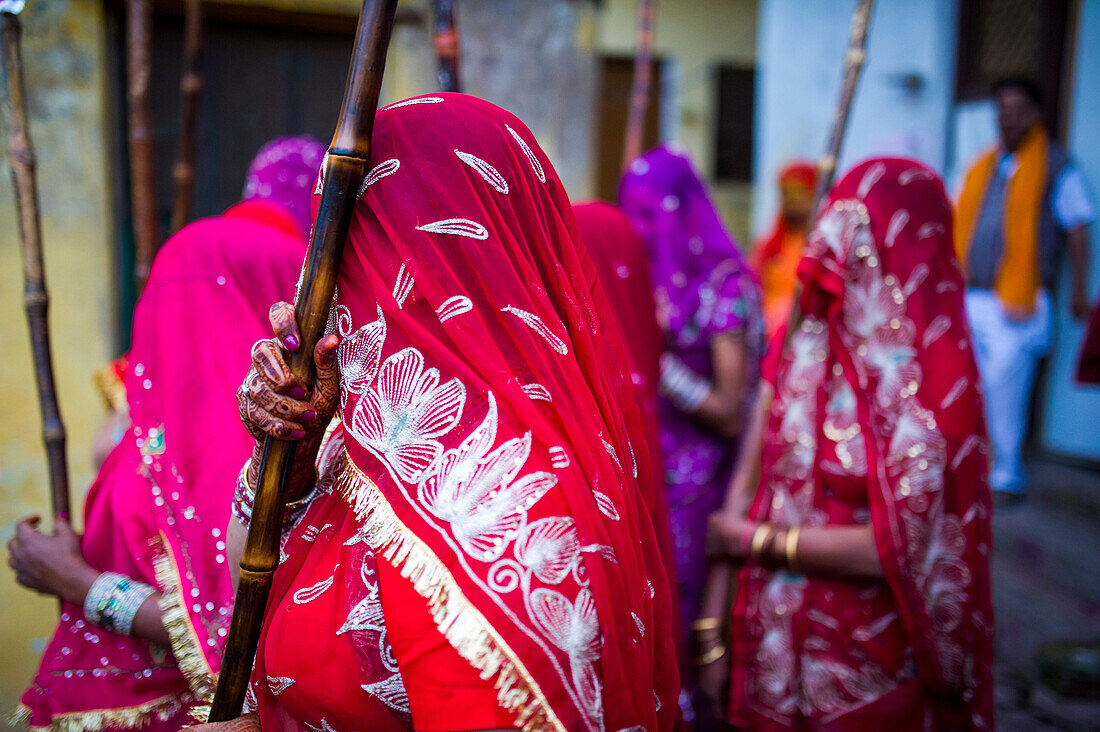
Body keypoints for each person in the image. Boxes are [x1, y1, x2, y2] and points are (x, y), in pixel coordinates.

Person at [200, 94, 679, 731]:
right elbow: (245, 580)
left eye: (344, 250)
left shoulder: (514, 510)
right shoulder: (362, 442)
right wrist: (281, 457)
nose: (317, 288)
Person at [8, 137, 323, 730]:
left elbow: (234, 633)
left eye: (200, 293)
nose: (182, 317)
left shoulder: (270, 451)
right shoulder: (146, 425)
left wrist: (77, 582)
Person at [704, 158, 994, 729]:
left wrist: (755, 541)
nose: (838, 260)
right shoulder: (801, 345)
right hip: (772, 657)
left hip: (873, 666)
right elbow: (743, 487)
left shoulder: (936, 384)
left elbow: (900, 549)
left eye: (862, 245)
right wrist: (711, 631)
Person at [616, 145, 764, 720]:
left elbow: (732, 410)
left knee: (687, 601)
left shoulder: (723, 286)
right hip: (647, 465)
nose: (640, 228)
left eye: (651, 215)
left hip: (701, 481)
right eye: (633, 213)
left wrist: (661, 365)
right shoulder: (650, 274)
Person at [955, 76, 1094, 503]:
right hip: (972, 295)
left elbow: (1078, 227)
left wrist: (1078, 290)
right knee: (966, 383)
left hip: (1017, 303)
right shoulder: (984, 165)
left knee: (1004, 390)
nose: (1007, 120)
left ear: (1036, 114)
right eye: (1001, 112)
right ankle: (968, 469)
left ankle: (1006, 475)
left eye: (1016, 112)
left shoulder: (1055, 164)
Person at [752, 161, 817, 338]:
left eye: (800, 194)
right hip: (768, 333)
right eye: (787, 195)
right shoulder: (768, 246)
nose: (793, 202)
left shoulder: (820, 244)